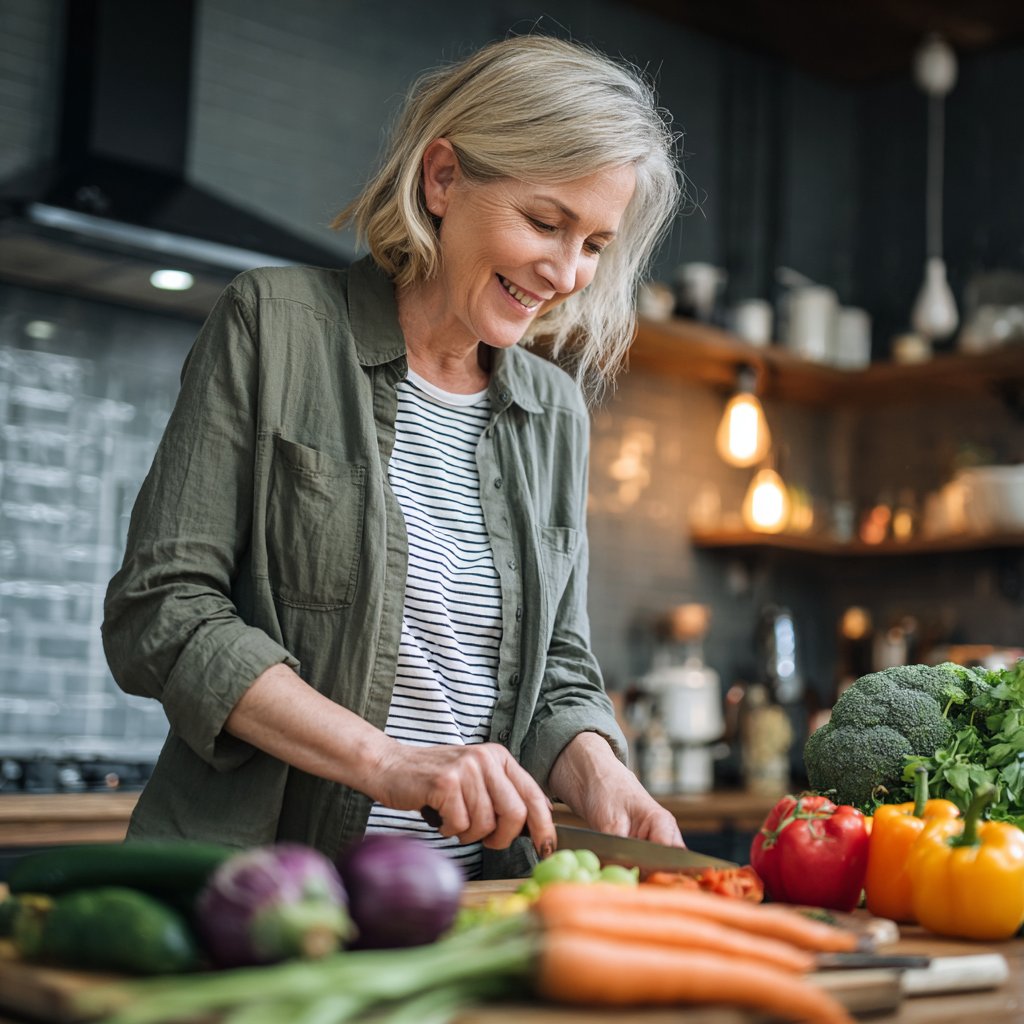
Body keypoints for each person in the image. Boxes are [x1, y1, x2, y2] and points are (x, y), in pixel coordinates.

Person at [103, 35, 685, 879]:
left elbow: (557, 666)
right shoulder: (275, 325)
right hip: (263, 892)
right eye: (544, 222)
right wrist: (390, 763)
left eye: (594, 243)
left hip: (473, 903)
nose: (566, 273)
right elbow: (161, 612)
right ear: (442, 178)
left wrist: (601, 772)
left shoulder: (552, 412)